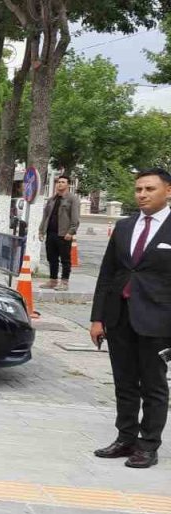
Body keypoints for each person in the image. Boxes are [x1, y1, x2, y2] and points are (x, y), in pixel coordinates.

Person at [89, 168, 171, 470]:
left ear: (168, 191)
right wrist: (97, 318)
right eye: (138, 189)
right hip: (119, 317)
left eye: (149, 189)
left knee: (153, 385)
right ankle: (125, 437)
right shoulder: (124, 226)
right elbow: (107, 274)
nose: (142, 195)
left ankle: (148, 446)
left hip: (158, 321)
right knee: (124, 383)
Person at [39, 175, 81, 291]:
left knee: (65, 260)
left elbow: (75, 218)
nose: (60, 184)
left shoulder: (72, 199)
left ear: (68, 185)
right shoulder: (52, 199)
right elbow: (46, 216)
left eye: (63, 182)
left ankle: (64, 282)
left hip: (64, 234)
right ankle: (53, 281)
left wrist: (71, 232)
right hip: (51, 233)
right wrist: (41, 231)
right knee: (51, 258)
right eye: (58, 182)